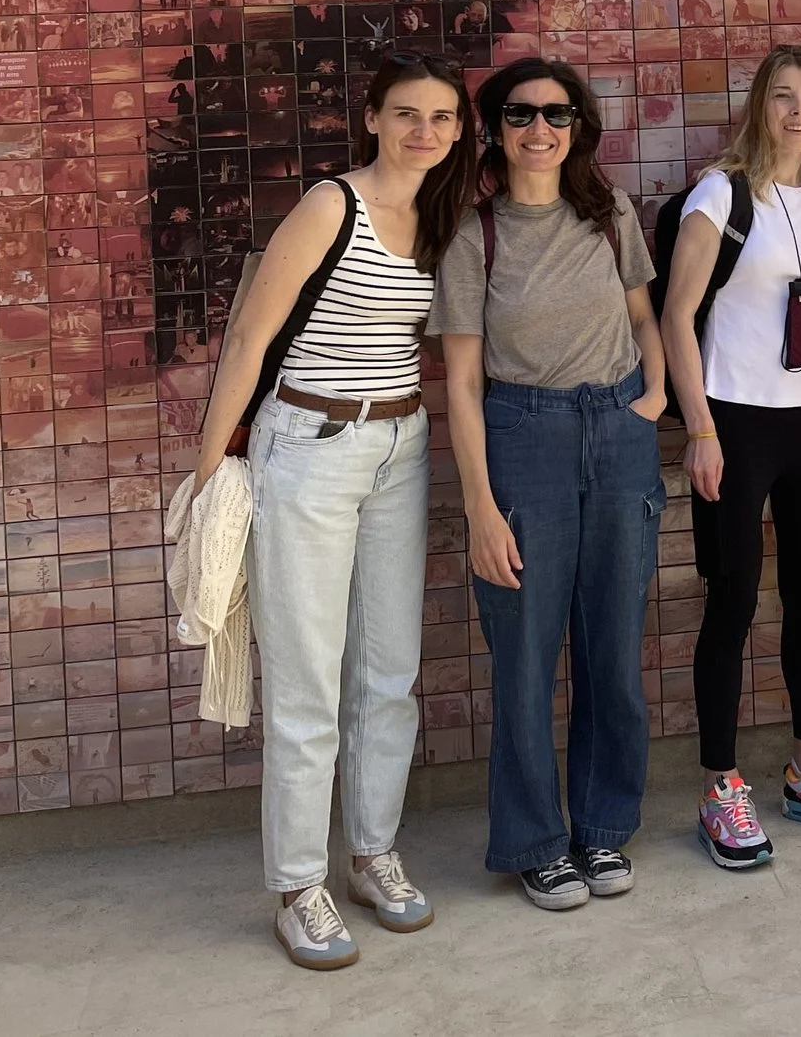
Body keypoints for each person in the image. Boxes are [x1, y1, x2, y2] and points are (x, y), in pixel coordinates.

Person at [188, 51, 477, 970]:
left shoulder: (443, 216)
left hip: (401, 446)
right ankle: (297, 886)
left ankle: (372, 853)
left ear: (458, 130)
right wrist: (208, 471)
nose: (423, 131)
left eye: (440, 116)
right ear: (372, 118)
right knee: (308, 679)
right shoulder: (330, 206)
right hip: (309, 446)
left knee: (388, 672)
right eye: (406, 113)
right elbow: (251, 333)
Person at [432, 57, 671, 907]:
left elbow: (643, 314)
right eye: (521, 114)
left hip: (617, 429)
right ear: (495, 129)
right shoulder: (475, 237)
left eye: (557, 114)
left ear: (578, 127)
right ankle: (536, 841)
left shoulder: (610, 215)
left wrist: (654, 397)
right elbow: (462, 381)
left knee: (612, 647)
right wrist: (480, 506)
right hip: (522, 436)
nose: (540, 129)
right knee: (526, 657)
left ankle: (602, 829)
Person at [658, 46, 801, 869]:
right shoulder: (721, 195)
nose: (798, 111)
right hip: (734, 423)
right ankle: (720, 785)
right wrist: (701, 430)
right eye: (783, 96)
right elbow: (677, 316)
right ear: (760, 106)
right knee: (731, 601)